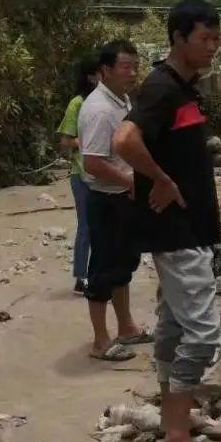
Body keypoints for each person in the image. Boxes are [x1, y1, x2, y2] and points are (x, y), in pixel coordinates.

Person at [113, 0, 221, 442]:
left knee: (175, 326)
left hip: (187, 228)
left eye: (217, 39)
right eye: (206, 39)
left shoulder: (183, 88)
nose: (214, 47)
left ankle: (175, 422)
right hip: (175, 231)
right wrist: (158, 178)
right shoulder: (161, 87)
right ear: (178, 38)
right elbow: (123, 141)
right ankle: (177, 441)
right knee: (203, 333)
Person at [79, 40, 145, 361]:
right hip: (106, 199)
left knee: (124, 263)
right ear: (105, 71)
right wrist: (128, 180)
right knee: (103, 267)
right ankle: (100, 340)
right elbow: (91, 161)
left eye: (135, 65)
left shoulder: (122, 100)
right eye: (125, 66)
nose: (132, 72)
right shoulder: (99, 109)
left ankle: (127, 326)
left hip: (124, 197)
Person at [57, 56, 99, 294]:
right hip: (81, 174)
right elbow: (65, 140)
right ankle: (80, 277)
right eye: (98, 73)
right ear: (90, 77)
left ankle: (99, 272)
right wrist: (89, 141)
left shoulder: (110, 101)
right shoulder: (77, 103)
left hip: (103, 174)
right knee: (86, 226)